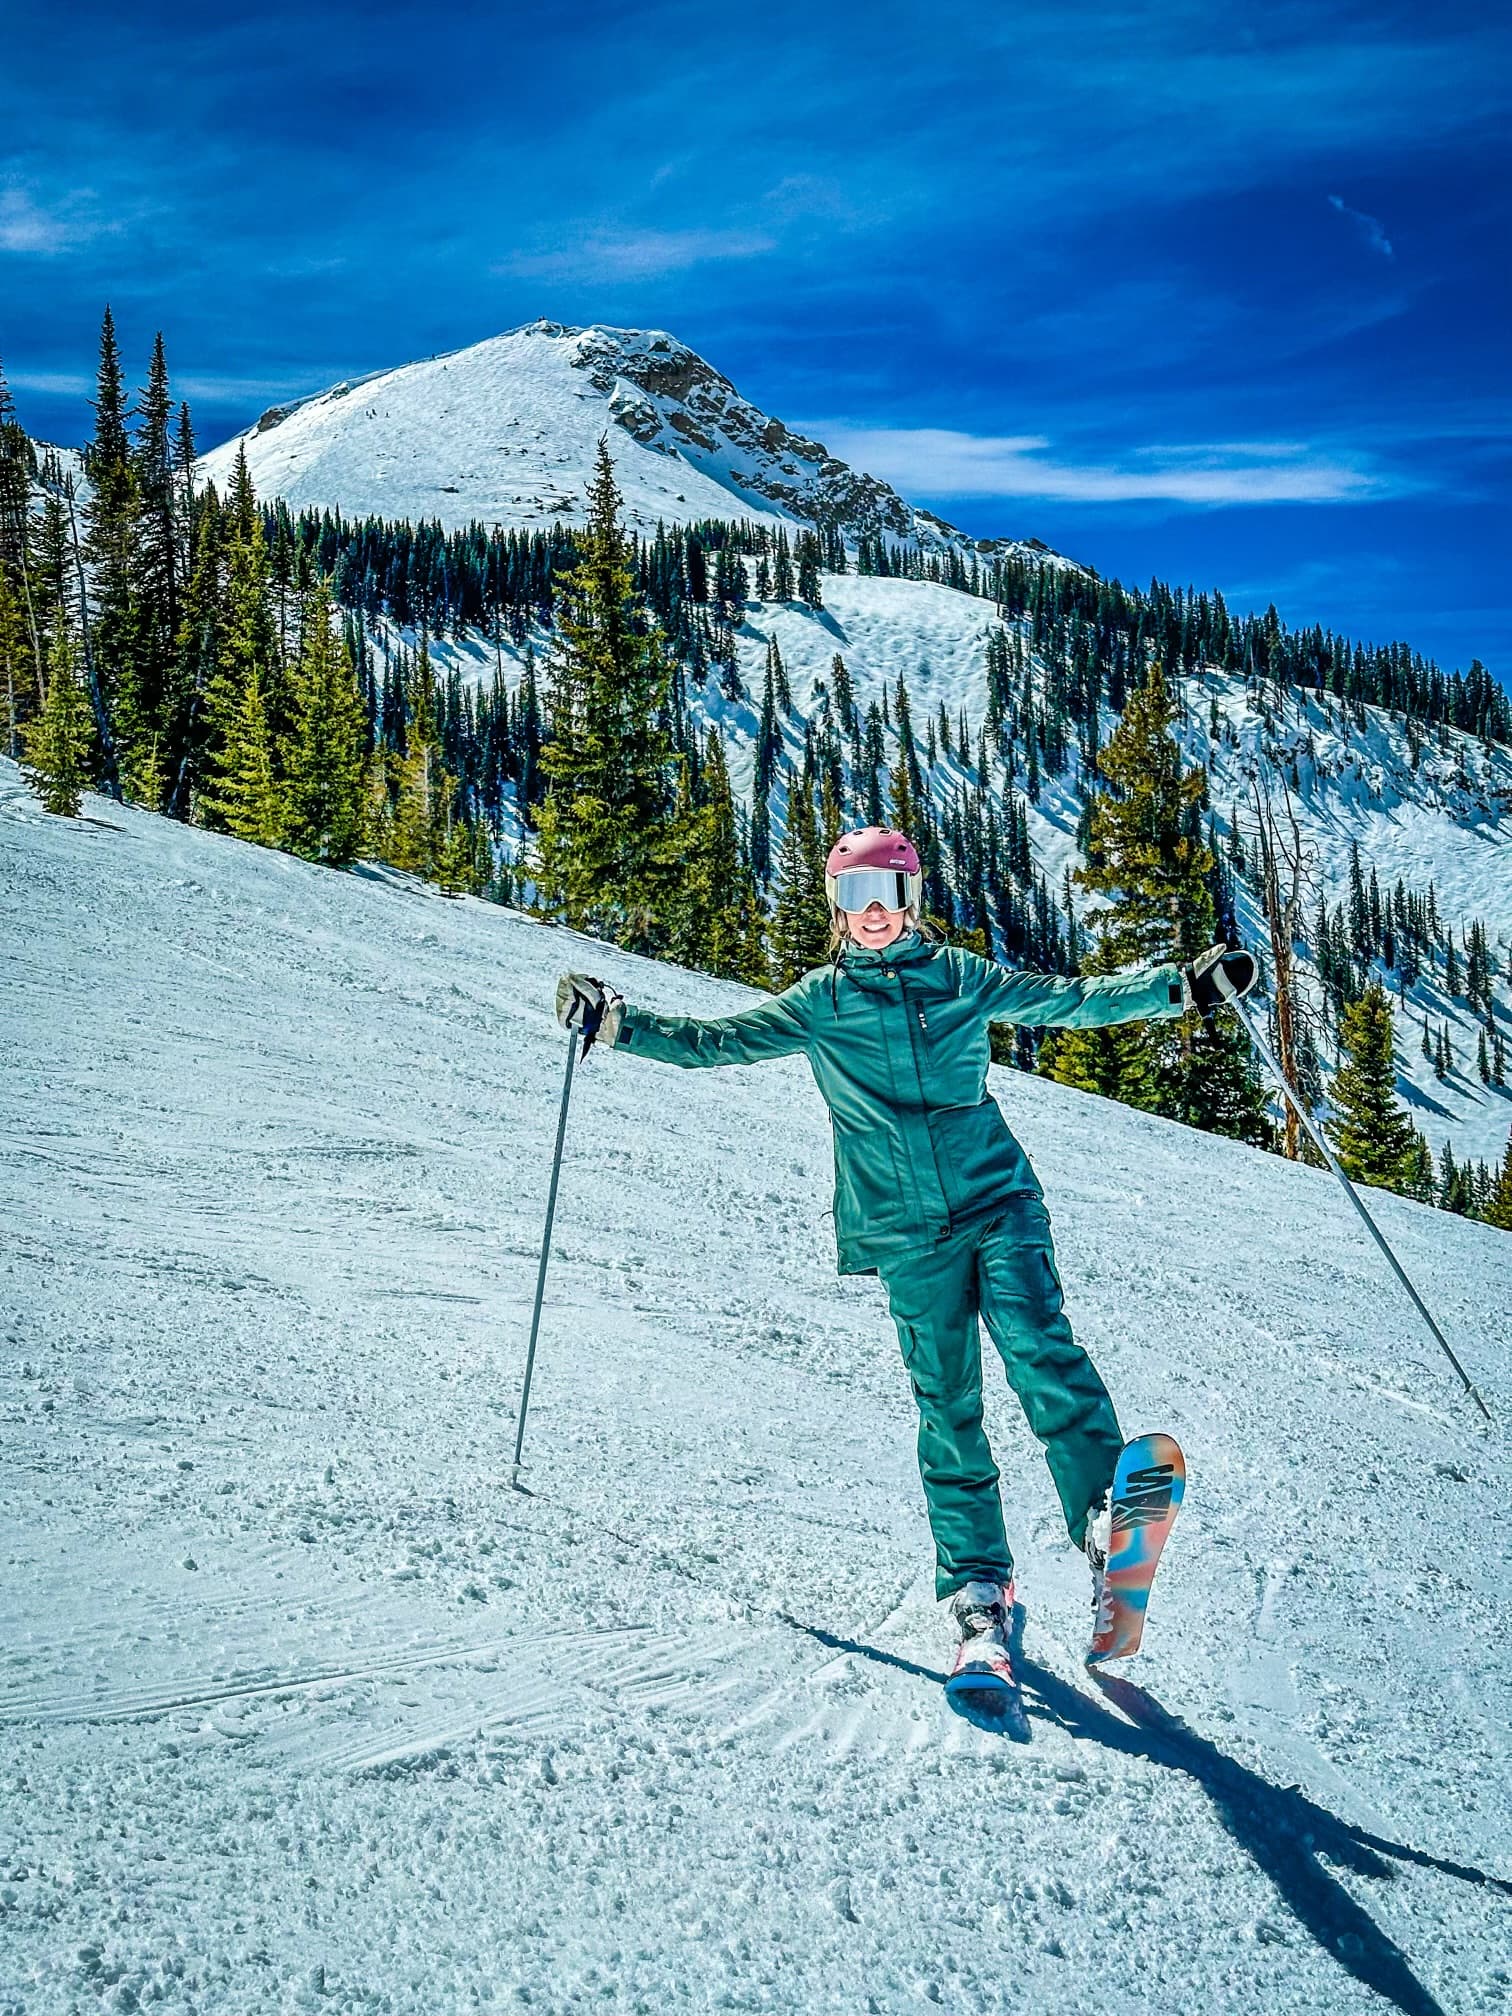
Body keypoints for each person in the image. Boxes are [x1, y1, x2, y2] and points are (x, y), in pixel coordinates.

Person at [555, 825, 1256, 1682]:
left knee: (1039, 1344)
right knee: (948, 1404)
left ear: (912, 899)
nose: (872, 914)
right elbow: (718, 1042)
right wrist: (620, 1025)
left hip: (997, 1199)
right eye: (854, 898)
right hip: (902, 1230)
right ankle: (979, 1593)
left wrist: (1179, 990)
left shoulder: (960, 979)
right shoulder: (820, 1001)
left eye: (886, 894)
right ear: (835, 908)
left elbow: (1070, 1000)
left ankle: (1107, 1521)